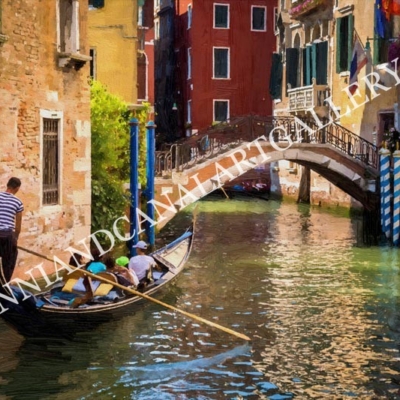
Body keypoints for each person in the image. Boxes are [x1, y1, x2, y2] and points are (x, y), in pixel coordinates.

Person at [0, 177, 24, 283]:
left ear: (7, 185)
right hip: (6, 236)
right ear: (17, 188)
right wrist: (15, 240)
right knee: (10, 259)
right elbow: (18, 227)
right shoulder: (18, 202)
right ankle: (5, 283)